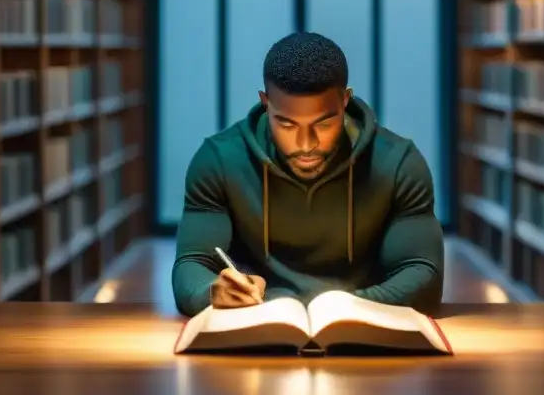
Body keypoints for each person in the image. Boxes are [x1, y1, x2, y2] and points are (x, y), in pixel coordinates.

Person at [171, 31, 445, 318]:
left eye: (324, 124)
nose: (305, 144)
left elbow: (423, 272)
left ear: (345, 102)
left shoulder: (399, 162)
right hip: (257, 327)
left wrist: (346, 308)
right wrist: (211, 292)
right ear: (266, 103)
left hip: (362, 333)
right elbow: (192, 264)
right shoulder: (218, 160)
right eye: (287, 124)